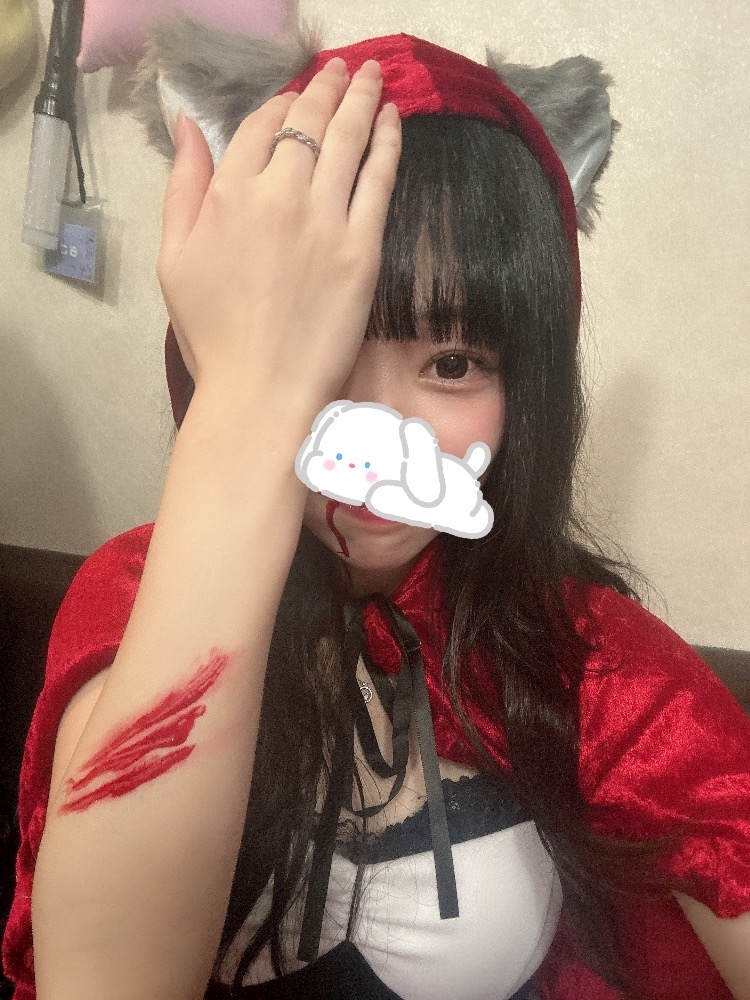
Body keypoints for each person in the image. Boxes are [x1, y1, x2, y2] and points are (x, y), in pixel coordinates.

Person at [3, 28, 750, 1000]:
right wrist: (249, 406)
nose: (381, 440)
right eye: (324, 353)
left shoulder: (581, 653)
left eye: (453, 363)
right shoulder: (139, 593)